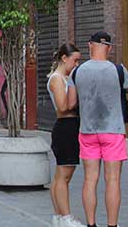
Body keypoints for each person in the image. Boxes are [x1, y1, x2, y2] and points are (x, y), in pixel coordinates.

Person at [73, 31, 128, 227]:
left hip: (87, 131)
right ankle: (112, 225)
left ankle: (91, 224)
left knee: (90, 180)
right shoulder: (118, 70)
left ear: (89, 45)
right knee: (112, 180)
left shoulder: (78, 71)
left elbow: (69, 102)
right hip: (113, 131)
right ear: (109, 48)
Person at [47, 43, 83, 227]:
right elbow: (63, 107)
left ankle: (59, 216)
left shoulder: (65, 78)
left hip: (69, 127)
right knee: (64, 175)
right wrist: (76, 94)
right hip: (66, 127)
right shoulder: (58, 79)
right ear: (64, 58)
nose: (77, 64)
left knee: (61, 175)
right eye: (75, 60)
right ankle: (66, 217)